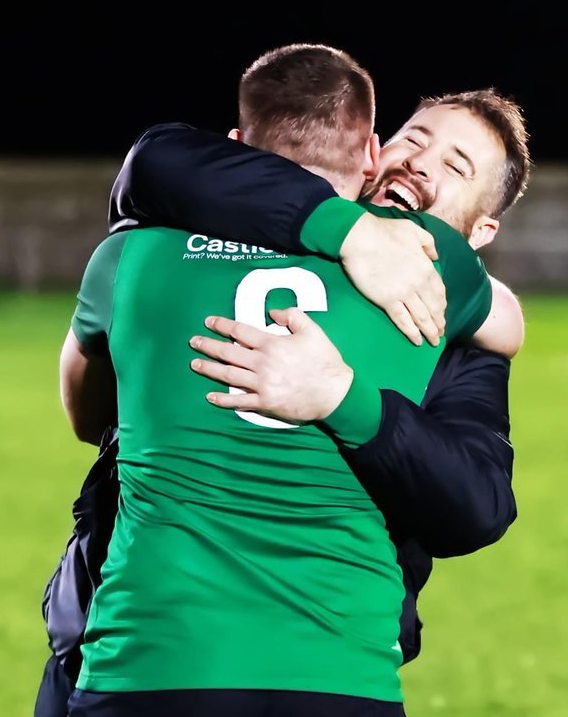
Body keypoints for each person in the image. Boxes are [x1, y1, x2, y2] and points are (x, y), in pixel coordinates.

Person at [59, 44, 517, 716]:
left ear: (483, 230)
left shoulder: (141, 251)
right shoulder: (454, 281)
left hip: (149, 658)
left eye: (455, 165)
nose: (419, 162)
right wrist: (353, 235)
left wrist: (345, 399)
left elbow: (477, 506)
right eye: (412, 139)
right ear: (369, 153)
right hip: (316, 668)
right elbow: (158, 159)